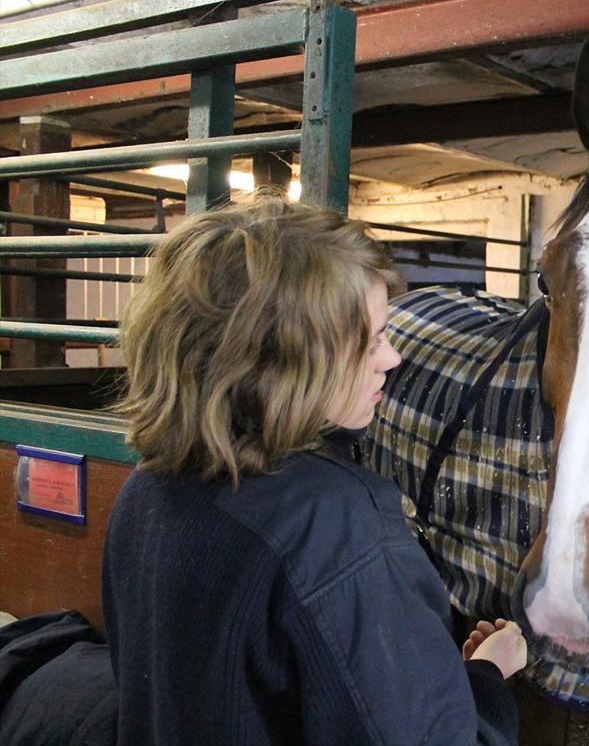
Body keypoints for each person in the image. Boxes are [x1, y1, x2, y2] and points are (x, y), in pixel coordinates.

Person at [102, 198, 526, 744]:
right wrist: (486, 680)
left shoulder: (148, 487)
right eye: (371, 340)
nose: (392, 359)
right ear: (291, 360)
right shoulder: (337, 525)